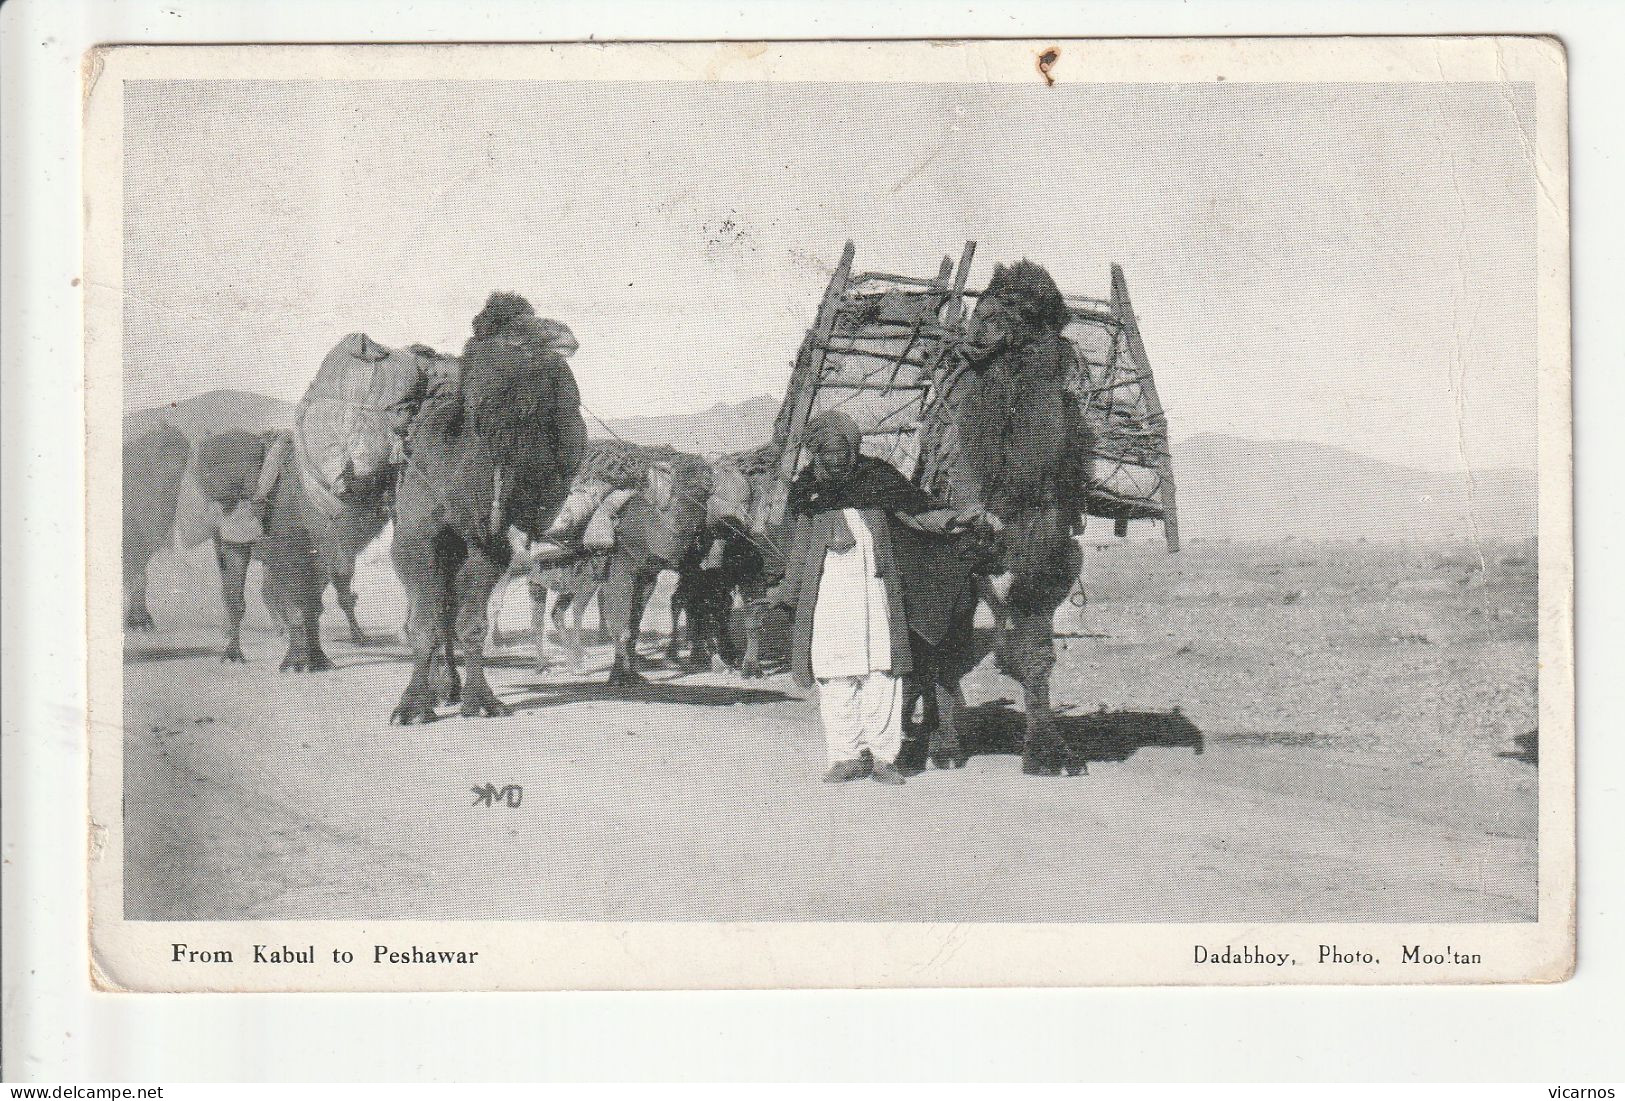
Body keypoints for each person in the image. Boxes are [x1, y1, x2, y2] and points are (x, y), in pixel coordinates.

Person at [768, 410, 981, 785]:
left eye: (839, 450)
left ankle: (884, 759)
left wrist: (955, 519)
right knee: (834, 677)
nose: (833, 459)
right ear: (815, 454)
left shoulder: (877, 478)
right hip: (827, 598)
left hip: (875, 593)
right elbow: (800, 550)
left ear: (852, 450)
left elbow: (916, 515)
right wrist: (789, 595)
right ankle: (846, 757)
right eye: (825, 452)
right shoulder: (806, 491)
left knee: (882, 672)